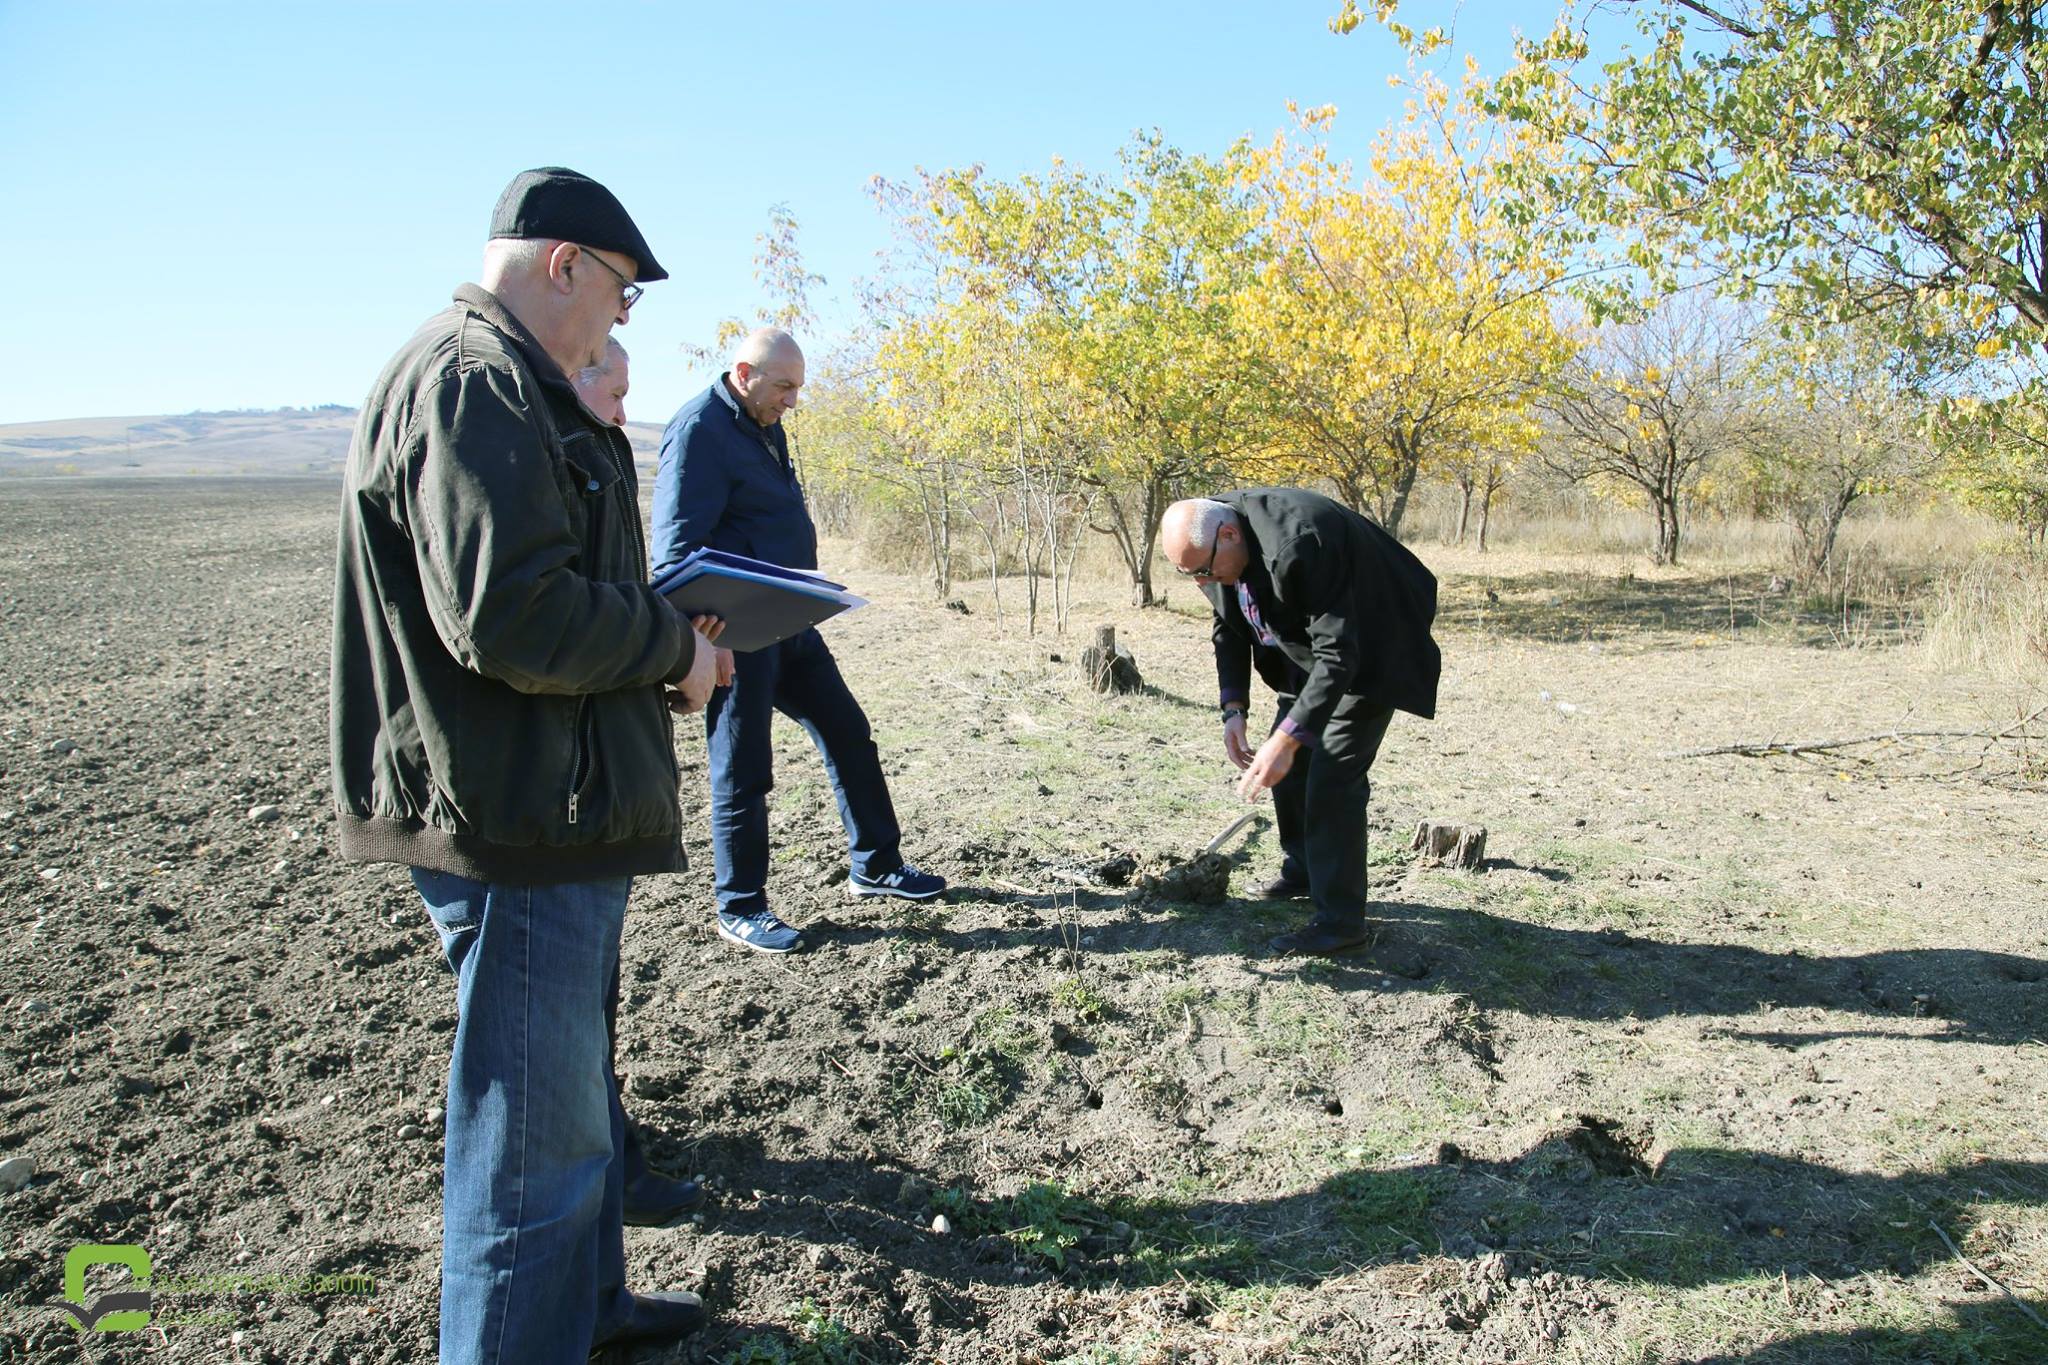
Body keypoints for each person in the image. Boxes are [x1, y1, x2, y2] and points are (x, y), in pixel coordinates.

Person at [331, 166, 717, 1363]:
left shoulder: (507, 380)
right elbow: (513, 617)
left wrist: (660, 644)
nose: (619, 320)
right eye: (621, 294)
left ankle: (587, 1311)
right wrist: (673, 649)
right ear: (564, 264)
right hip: (521, 821)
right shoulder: (474, 381)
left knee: (571, 1113)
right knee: (532, 1157)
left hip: (556, 805)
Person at [652, 327, 945, 954]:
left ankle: (876, 865)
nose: (792, 400)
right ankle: (740, 906)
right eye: (784, 386)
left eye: (797, 388)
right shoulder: (699, 430)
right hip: (734, 632)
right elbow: (676, 550)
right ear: (743, 373)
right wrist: (705, 642)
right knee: (744, 768)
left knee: (848, 732)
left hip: (788, 619)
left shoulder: (765, 422)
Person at [569, 339, 727, 1231]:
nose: (627, 413)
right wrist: (672, 643)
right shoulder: (542, 459)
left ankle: (608, 1158)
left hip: (596, 782)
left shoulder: (587, 464)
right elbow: (547, 624)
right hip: (559, 803)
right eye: (616, 390)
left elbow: (602, 623)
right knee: (565, 1022)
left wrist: (675, 653)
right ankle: (605, 1168)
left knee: (591, 1005)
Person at [1160, 490, 1441, 956]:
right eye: (1190, 575)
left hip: (1373, 643)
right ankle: (1304, 870)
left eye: (1204, 571)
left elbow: (1340, 655)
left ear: (1229, 535)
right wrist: (1233, 708)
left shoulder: (1299, 543)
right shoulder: (1210, 542)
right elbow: (1229, 624)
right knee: (1288, 768)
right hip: (1311, 647)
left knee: (1331, 777)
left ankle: (1341, 925)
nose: (1202, 582)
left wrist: (1289, 738)